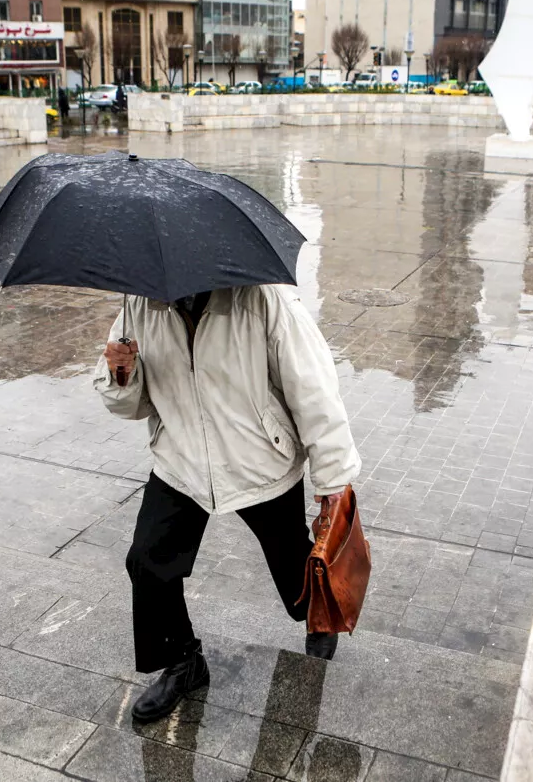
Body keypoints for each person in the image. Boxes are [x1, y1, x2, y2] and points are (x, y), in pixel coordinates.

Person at [95, 286, 360, 723]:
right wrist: (121, 375)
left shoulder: (263, 298)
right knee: (147, 562)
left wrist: (332, 478)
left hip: (258, 457)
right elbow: (131, 406)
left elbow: (313, 385)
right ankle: (183, 662)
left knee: (293, 558)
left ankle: (318, 616)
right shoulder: (139, 304)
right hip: (181, 460)